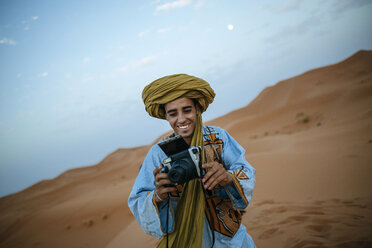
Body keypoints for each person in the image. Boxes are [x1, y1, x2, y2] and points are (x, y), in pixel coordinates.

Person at [128, 74, 256, 247]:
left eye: (187, 110)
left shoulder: (218, 137)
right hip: (185, 240)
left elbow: (245, 169)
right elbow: (138, 200)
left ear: (197, 108)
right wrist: (157, 196)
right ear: (166, 116)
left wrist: (227, 177)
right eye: (173, 114)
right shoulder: (158, 153)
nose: (181, 119)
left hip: (232, 241)